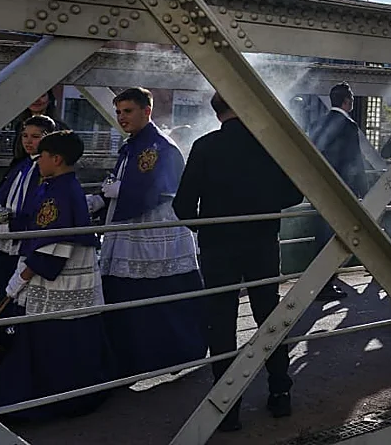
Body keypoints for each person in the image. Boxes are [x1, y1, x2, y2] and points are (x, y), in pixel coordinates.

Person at [173, 92, 304, 432]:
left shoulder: (204, 146)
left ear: (217, 113)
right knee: (269, 316)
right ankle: (280, 392)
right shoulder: (268, 144)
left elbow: (182, 206)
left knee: (221, 322)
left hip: (218, 247)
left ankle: (226, 409)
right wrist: (264, 208)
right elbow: (295, 194)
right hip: (261, 242)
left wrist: (209, 225)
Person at [0, 131, 115, 420]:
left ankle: (53, 400)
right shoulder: (58, 185)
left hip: (60, 276)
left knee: (54, 336)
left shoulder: (58, 192)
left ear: (55, 159)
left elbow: (52, 247)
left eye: (41, 156)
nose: (37, 161)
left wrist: (22, 277)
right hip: (62, 269)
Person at [92, 87, 206, 378]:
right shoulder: (134, 144)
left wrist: (122, 191)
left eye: (128, 111)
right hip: (128, 228)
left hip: (154, 232)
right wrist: (102, 197)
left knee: (160, 294)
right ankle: (133, 356)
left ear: (147, 111)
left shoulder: (159, 146)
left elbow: (162, 189)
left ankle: (175, 352)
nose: (121, 118)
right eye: (118, 112)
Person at [0, 115, 57, 372]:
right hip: (5, 238)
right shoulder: (24, 164)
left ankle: (0, 350)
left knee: (8, 296)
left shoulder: (46, 169)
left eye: (35, 137)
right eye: (25, 136)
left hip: (21, 241)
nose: (28, 141)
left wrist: (14, 226)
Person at [309, 82, 366, 301]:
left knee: (320, 237)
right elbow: (355, 161)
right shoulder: (348, 125)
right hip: (341, 191)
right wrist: (364, 190)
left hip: (319, 189)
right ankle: (326, 285)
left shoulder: (318, 123)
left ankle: (318, 284)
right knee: (333, 239)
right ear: (347, 101)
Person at [8, 90, 67, 160]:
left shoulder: (60, 128)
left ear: (49, 99)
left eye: (42, 95)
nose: (36, 100)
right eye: (32, 96)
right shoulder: (20, 125)